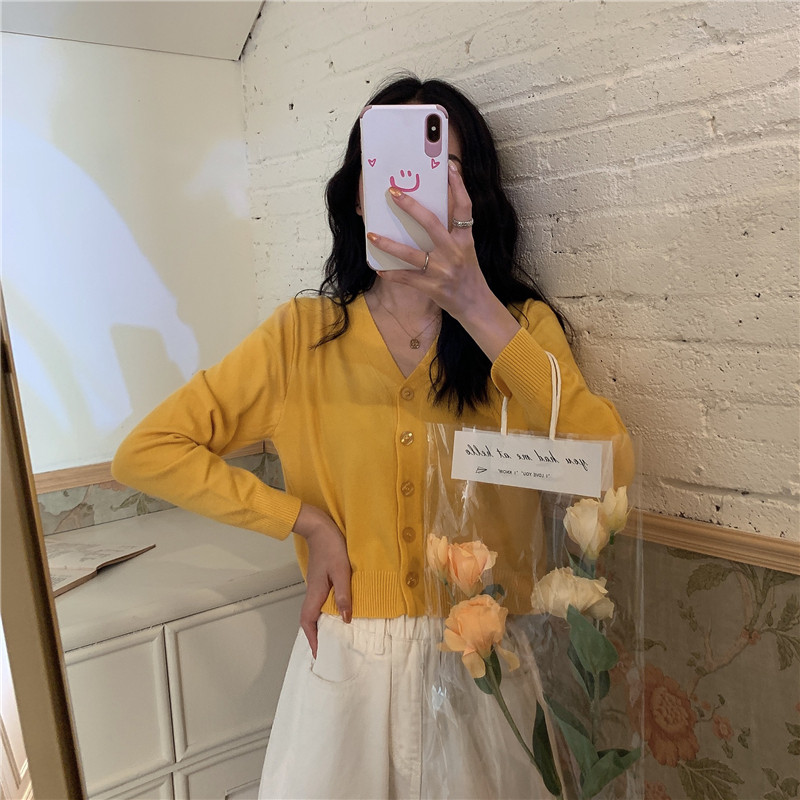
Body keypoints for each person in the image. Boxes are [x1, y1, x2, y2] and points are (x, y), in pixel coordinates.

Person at [112, 74, 634, 799]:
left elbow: (607, 469)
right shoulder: (302, 337)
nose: (412, 187)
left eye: (442, 167)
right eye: (386, 165)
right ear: (358, 194)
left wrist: (477, 306)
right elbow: (147, 450)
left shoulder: (519, 330)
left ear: (473, 196)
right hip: (347, 670)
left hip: (486, 666)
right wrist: (302, 519)